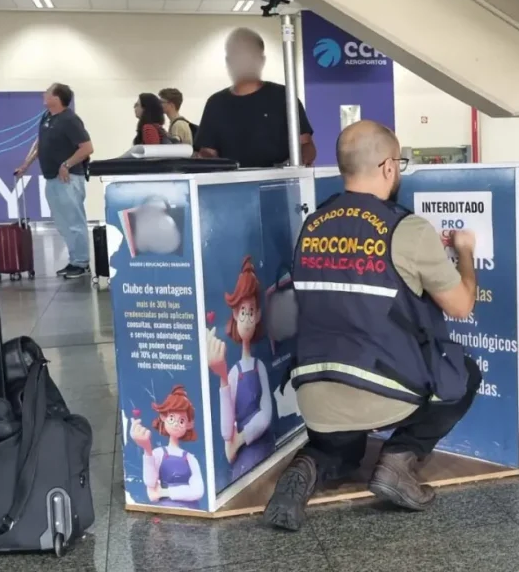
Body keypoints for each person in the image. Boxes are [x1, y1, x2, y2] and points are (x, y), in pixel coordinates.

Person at [263, 120, 480, 531]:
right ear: (386, 167)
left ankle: (308, 466)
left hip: (315, 393)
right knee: (465, 374)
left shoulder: (312, 226)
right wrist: (464, 252)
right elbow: (462, 306)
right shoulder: (406, 228)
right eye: (398, 163)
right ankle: (398, 462)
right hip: (382, 388)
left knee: (341, 447)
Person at [195, 27, 316, 167]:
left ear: (261, 60)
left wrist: (299, 161)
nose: (243, 62)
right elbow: (208, 151)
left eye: (248, 55)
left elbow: (306, 144)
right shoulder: (215, 104)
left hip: (280, 183)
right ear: (228, 62)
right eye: (237, 56)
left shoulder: (283, 97)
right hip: (231, 185)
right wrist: (202, 159)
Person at [206, 256, 276, 482]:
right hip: (243, 453)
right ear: (235, 315)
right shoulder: (234, 372)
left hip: (260, 442)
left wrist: (241, 438)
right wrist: (223, 376)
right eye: (242, 312)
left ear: (257, 316)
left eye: (251, 312)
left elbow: (266, 415)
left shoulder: (260, 367)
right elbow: (227, 429)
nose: (247, 319)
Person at [15, 83, 93, 279]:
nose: (44, 94)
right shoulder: (47, 117)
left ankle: (82, 263)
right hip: (52, 178)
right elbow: (41, 143)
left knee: (74, 221)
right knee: (63, 223)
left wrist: (66, 164)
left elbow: (87, 148)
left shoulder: (70, 120)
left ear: (57, 98)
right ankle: (74, 260)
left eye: (48, 92)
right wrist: (26, 165)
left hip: (69, 179)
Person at [130, 384, 205, 509]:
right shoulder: (159, 453)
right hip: (166, 507)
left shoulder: (190, 458)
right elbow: (150, 485)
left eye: (181, 421)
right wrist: (147, 450)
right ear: (163, 417)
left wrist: (165, 492)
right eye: (171, 418)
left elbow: (198, 491)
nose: (176, 423)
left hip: (191, 509)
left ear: (189, 424)